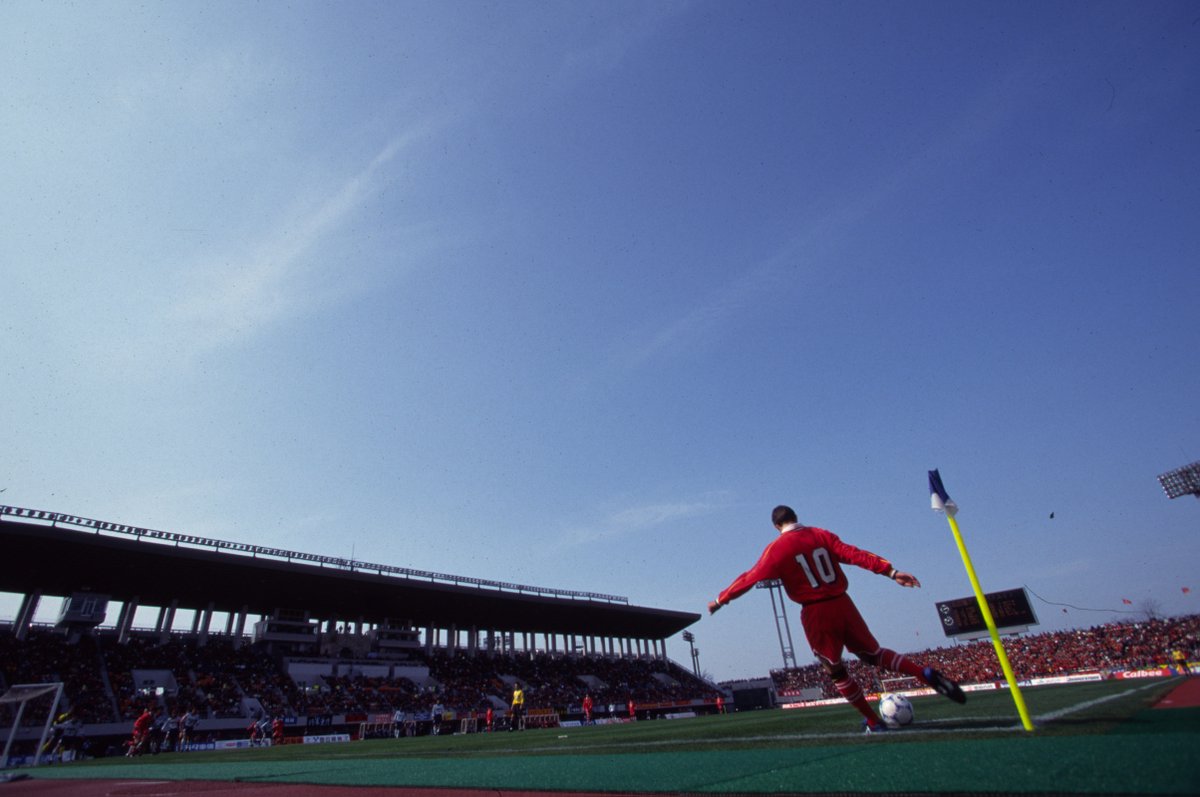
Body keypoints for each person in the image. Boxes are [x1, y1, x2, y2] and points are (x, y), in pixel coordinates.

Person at [708, 504, 966, 733]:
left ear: (777, 526)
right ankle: (923, 672)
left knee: (834, 669)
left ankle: (873, 722)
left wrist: (721, 599)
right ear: (797, 517)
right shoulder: (821, 534)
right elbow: (855, 554)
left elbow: (750, 577)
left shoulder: (776, 549)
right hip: (844, 603)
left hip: (815, 611)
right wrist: (890, 571)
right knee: (873, 653)